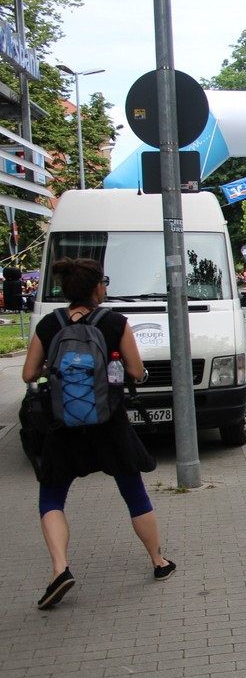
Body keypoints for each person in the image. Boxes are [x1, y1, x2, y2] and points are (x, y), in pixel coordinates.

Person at [21, 257, 174, 610]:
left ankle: (60, 569)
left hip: (64, 426)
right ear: (96, 288)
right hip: (109, 422)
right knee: (133, 492)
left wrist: (55, 368)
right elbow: (135, 371)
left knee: (52, 497)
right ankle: (158, 562)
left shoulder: (49, 324)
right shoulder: (115, 322)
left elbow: (29, 374)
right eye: (103, 282)